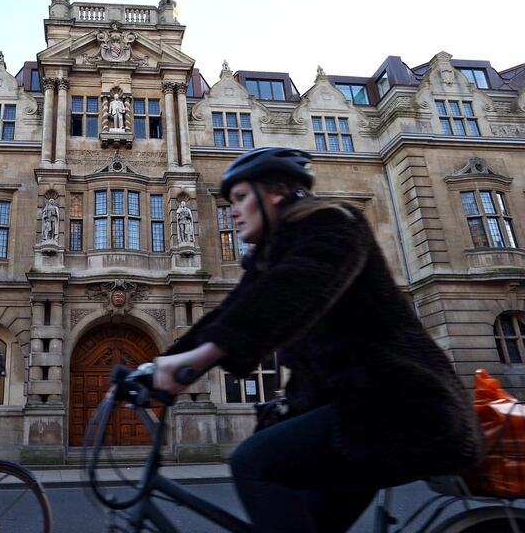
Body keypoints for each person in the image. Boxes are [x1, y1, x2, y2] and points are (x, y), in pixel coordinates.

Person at [152, 147, 483, 532]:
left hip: (400, 409)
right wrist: (157, 364)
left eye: (241, 198)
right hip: (356, 417)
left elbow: (293, 291)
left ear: (274, 192)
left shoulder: (336, 224)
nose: (232, 211)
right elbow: (231, 312)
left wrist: (202, 357)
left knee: (253, 463)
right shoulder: (271, 257)